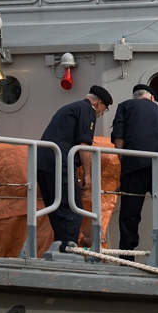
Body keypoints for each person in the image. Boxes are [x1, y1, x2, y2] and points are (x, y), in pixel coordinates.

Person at [40, 86, 111, 251]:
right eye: (104, 110)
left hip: (43, 162)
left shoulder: (69, 108)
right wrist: (87, 174)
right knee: (72, 211)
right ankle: (68, 251)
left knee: (57, 211)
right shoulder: (87, 110)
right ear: (99, 103)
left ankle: (60, 248)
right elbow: (84, 144)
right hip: (60, 162)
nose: (101, 114)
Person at [110, 83, 158, 253]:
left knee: (129, 215)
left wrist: (125, 162)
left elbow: (118, 137)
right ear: (152, 98)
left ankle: (127, 258)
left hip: (135, 163)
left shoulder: (125, 106)